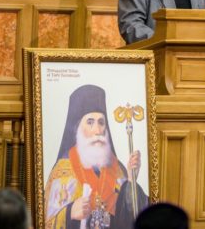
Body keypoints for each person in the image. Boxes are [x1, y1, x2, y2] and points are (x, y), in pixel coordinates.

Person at [44, 84, 148, 229]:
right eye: (90, 122)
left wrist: (131, 182)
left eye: (101, 122)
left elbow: (135, 218)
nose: (98, 130)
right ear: (77, 128)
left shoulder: (118, 169)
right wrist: (69, 213)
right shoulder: (62, 172)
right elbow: (45, 222)